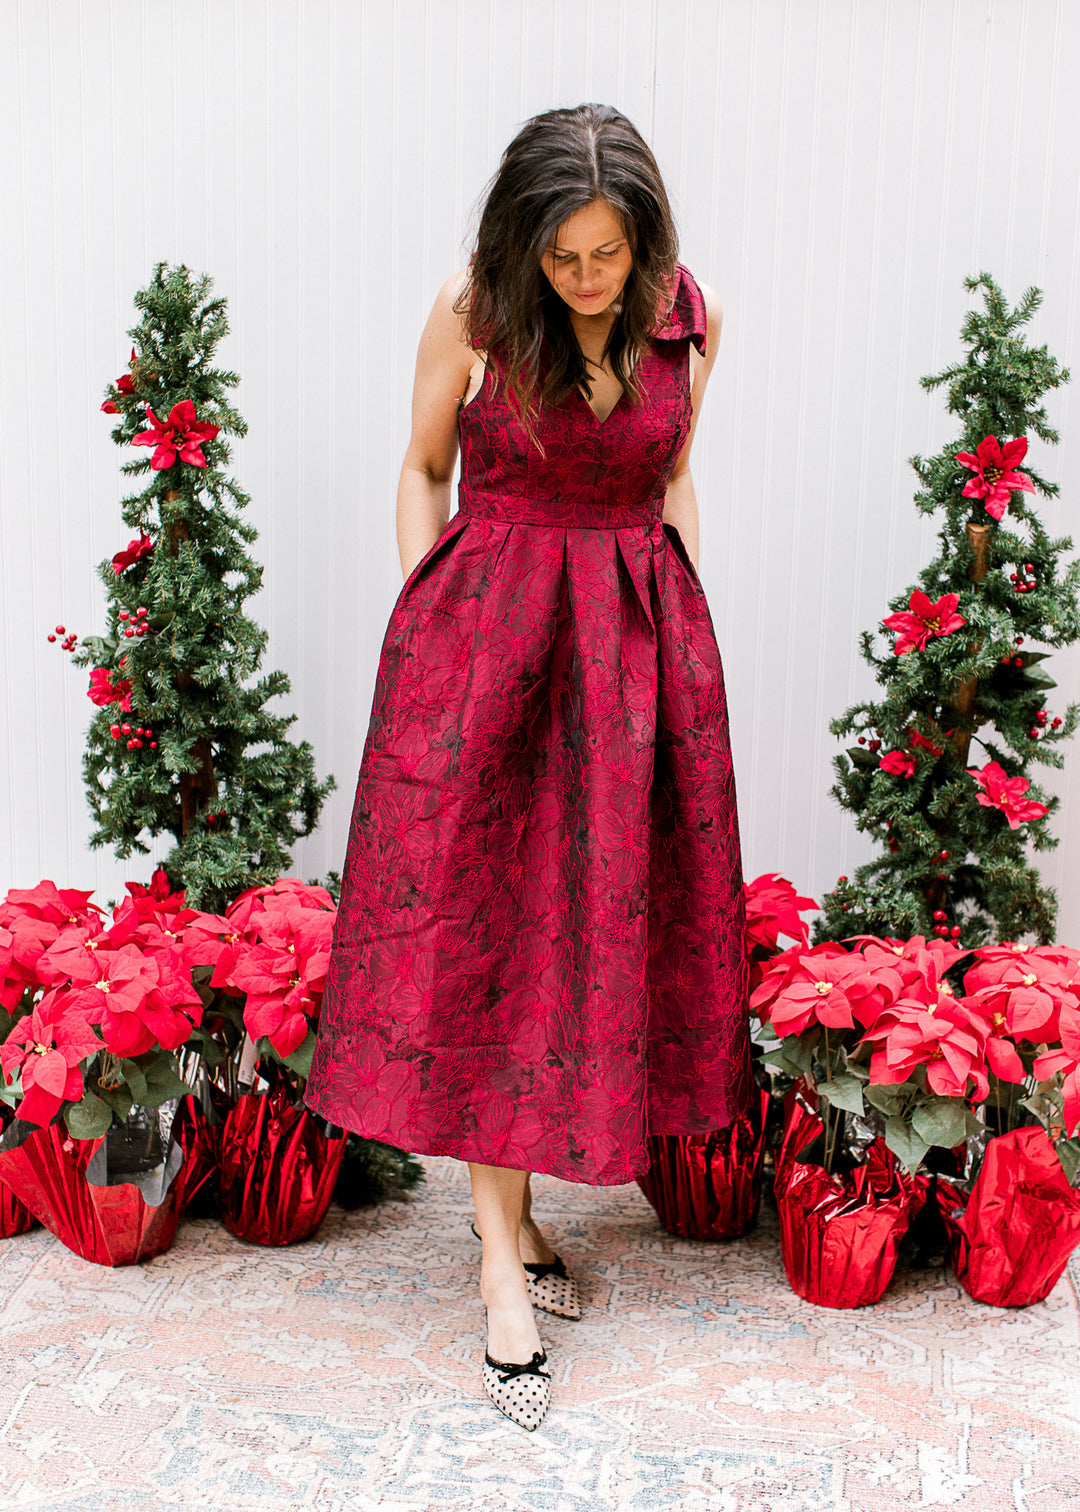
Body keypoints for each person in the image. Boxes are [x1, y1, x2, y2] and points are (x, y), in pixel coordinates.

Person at [305, 102, 753, 1431]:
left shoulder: (693, 319)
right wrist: (427, 631)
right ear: (523, 244)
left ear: (644, 239)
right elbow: (421, 468)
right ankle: (502, 1259)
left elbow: (673, 481)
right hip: (492, 654)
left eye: (607, 254)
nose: (587, 279)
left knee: (586, 943)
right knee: (503, 941)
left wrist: (681, 640)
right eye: (563, 257)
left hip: (631, 654)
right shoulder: (476, 311)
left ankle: (531, 1228)